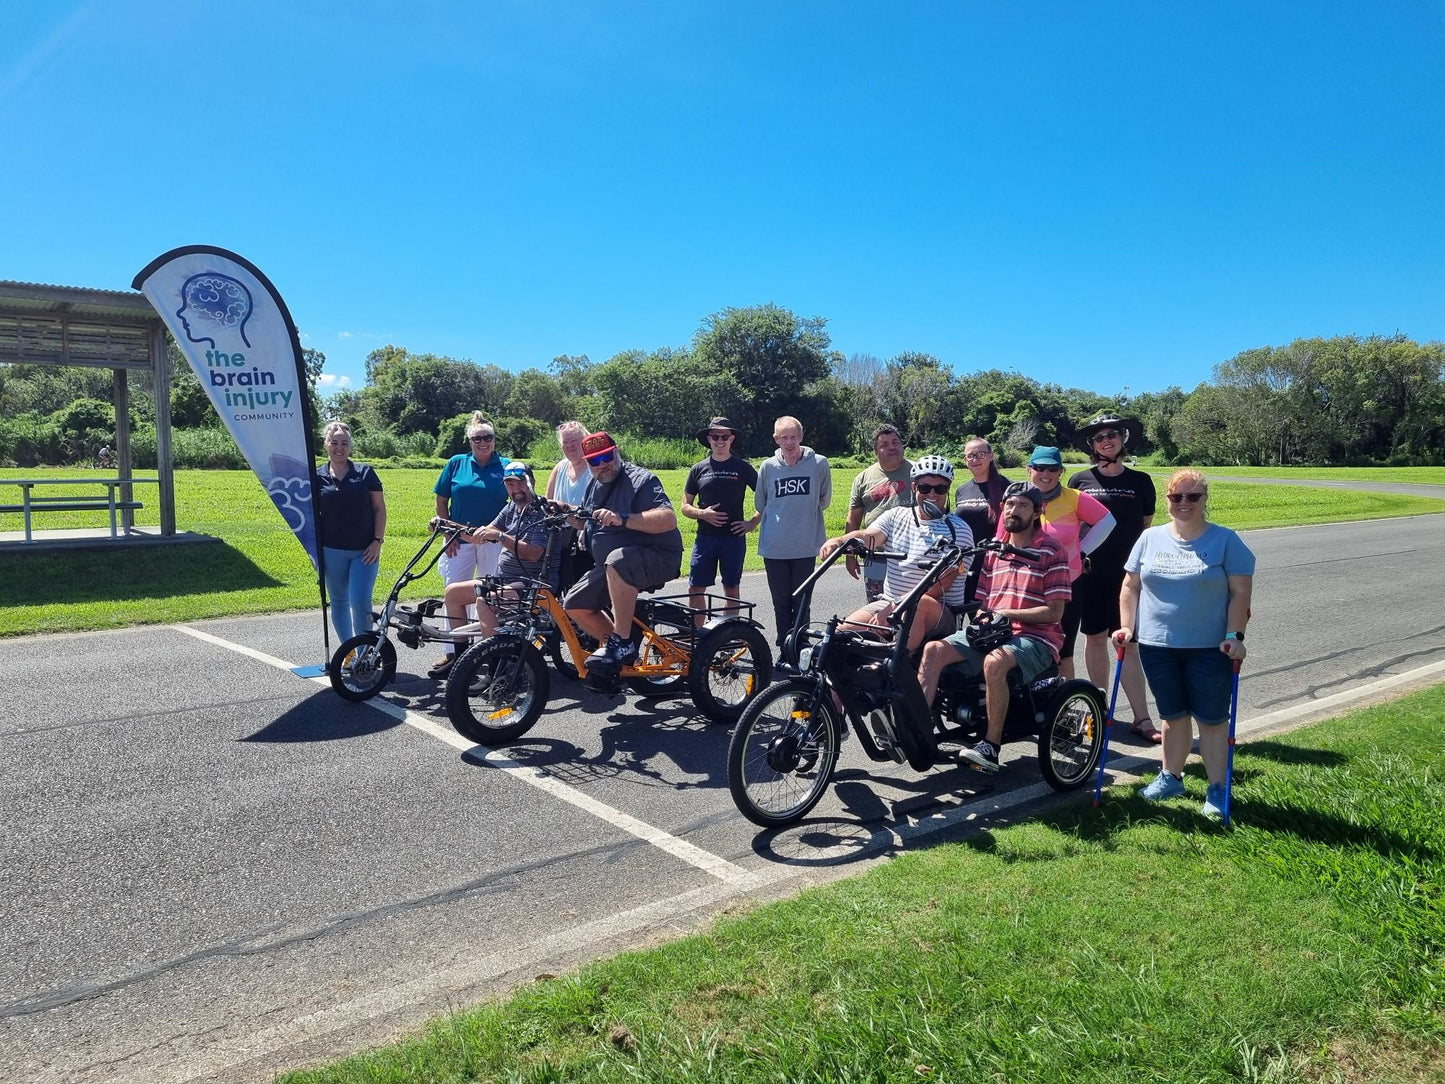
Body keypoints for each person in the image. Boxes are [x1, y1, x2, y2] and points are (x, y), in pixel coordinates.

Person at [1115, 468, 1254, 818]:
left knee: (1210, 720)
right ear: (1167, 501)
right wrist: (1127, 628)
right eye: (1177, 497)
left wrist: (1234, 636)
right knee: (1173, 716)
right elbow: (1130, 586)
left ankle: (1217, 788)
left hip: (1210, 647)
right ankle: (1171, 777)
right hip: (1157, 645)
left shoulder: (1226, 540)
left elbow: (1240, 594)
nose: (1185, 503)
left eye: (1193, 496)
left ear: (1206, 499)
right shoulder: (1150, 539)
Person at [919, 483, 1072, 772]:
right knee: (932, 650)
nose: (1014, 510)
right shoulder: (994, 550)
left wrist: (1005, 613)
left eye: (1024, 505)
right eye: (1010, 504)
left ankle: (990, 747)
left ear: (1039, 511)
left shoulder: (1051, 550)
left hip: (1038, 638)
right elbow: (982, 602)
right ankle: (917, 731)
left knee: (995, 662)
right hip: (996, 631)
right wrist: (984, 618)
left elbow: (1054, 612)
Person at [820, 455, 973, 653]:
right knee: (839, 635)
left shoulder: (959, 530)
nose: (932, 494)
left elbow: (938, 588)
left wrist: (894, 607)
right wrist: (840, 541)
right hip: (890, 603)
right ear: (914, 487)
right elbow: (869, 536)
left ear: (948, 489)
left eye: (940, 488)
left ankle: (896, 671)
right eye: (925, 487)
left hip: (939, 610)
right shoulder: (897, 515)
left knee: (917, 606)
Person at [561, 430, 684, 674]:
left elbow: (668, 519)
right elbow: (587, 521)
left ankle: (623, 642)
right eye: (595, 460)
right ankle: (622, 655)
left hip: (658, 555)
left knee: (617, 560)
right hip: (611, 565)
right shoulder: (594, 484)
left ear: (616, 452)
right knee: (574, 604)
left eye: (606, 456)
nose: (602, 464)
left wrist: (622, 519)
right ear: (587, 463)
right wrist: (568, 513)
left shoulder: (641, 480)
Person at [1069, 414, 1160, 741]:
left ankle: (1142, 718)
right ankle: (1097, 713)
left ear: (1122, 439)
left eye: (1111, 435)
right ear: (1091, 446)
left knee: (1129, 645)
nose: (1105, 440)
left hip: (1128, 577)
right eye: (1098, 437)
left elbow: (1145, 524)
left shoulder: (1141, 481)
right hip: (1091, 574)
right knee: (1094, 639)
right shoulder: (1079, 480)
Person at [431, 463, 562, 673]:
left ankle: (495, 668)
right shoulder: (511, 508)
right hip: (506, 581)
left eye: (520, 482)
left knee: (486, 602)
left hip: (534, 585)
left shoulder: (542, 512)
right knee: (453, 593)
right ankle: (461, 662)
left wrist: (501, 537)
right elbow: (480, 535)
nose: (516, 488)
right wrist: (448, 526)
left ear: (532, 483)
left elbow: (535, 553)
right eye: (510, 484)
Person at [1011, 445, 1114, 679]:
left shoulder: (1074, 498)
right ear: (1029, 470)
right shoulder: (1018, 499)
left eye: (1052, 468)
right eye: (1039, 468)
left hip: (1066, 586)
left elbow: (1107, 521)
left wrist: (1082, 550)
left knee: (1063, 653)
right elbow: (1002, 538)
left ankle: (1064, 707)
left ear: (1061, 471)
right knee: (1021, 648)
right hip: (1026, 586)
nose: (1045, 474)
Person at [430, 412, 510, 676]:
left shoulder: (507, 465)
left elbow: (519, 501)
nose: (483, 442)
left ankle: (489, 651)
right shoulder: (456, 463)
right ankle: (454, 654)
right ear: (470, 440)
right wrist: (447, 533)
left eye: (488, 437)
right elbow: (442, 500)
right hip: (458, 540)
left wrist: (498, 533)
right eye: (477, 438)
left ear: (495, 439)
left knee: (490, 597)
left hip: (492, 541)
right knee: (454, 592)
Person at [754, 415, 832, 660]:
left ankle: (800, 645)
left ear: (801, 437)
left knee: (802, 601)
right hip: (775, 545)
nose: (789, 442)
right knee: (780, 601)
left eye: (793, 437)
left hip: (806, 544)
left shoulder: (819, 464)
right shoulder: (767, 466)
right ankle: (784, 647)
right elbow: (761, 501)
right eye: (783, 437)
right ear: (776, 439)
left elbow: (824, 499)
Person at [681, 417, 760, 624]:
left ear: (731, 439)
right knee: (695, 588)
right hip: (705, 538)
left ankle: (728, 637)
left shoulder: (742, 468)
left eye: (724, 436)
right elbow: (685, 506)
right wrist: (703, 513)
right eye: (715, 436)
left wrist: (752, 523)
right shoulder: (698, 469)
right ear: (709, 439)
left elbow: (766, 498)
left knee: (731, 588)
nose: (720, 441)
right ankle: (698, 636)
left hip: (733, 538)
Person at [314, 421, 387, 644]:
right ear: (326, 444)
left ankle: (364, 655)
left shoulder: (365, 473)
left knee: (360, 601)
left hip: (365, 550)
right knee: (338, 601)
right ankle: (347, 654)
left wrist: (377, 540)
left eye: (344, 443)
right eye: (334, 442)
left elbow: (379, 509)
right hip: (331, 549)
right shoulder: (315, 476)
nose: (339, 448)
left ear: (350, 446)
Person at [844, 424, 913, 602]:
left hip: (911, 556)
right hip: (876, 555)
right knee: (876, 607)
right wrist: (850, 555)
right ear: (875, 451)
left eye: (895, 442)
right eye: (885, 444)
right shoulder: (863, 478)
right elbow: (853, 519)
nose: (891, 447)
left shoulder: (917, 472)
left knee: (910, 607)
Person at [952, 436, 1011, 605]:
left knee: (990, 621)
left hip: (995, 567)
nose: (975, 459)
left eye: (981, 454)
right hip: (965, 566)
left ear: (991, 456)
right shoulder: (962, 490)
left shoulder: (1008, 487)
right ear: (965, 460)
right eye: (970, 456)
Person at [546, 420, 594, 591]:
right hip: (558, 538)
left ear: (584, 440)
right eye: (566, 442)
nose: (570, 446)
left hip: (585, 538)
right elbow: (548, 501)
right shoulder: (559, 468)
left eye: (574, 441)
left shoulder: (595, 468)